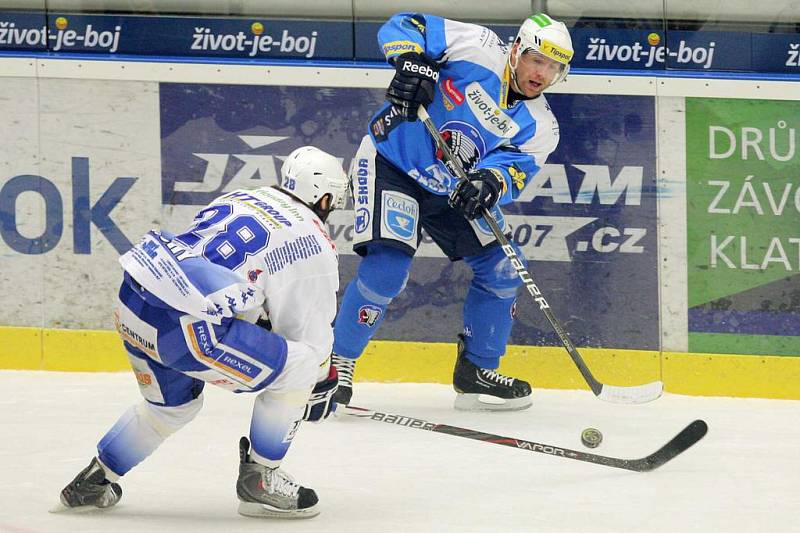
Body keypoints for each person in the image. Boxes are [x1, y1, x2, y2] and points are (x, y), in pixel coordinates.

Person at [54, 146, 349, 519]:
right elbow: (306, 340)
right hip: (188, 329)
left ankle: (94, 481)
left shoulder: (243, 196)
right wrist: (321, 379)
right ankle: (260, 479)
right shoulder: (313, 243)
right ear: (324, 198)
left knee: (172, 408)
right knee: (303, 365)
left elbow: (223, 273)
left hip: (134, 301)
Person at [331, 13, 573, 411]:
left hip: (451, 189)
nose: (542, 74)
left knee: (504, 267)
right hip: (393, 162)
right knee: (388, 269)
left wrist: (489, 182)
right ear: (515, 51)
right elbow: (404, 25)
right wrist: (412, 61)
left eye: (554, 67)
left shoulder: (541, 125)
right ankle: (334, 365)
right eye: (536, 59)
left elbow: (514, 169)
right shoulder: (476, 45)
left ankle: (476, 370)